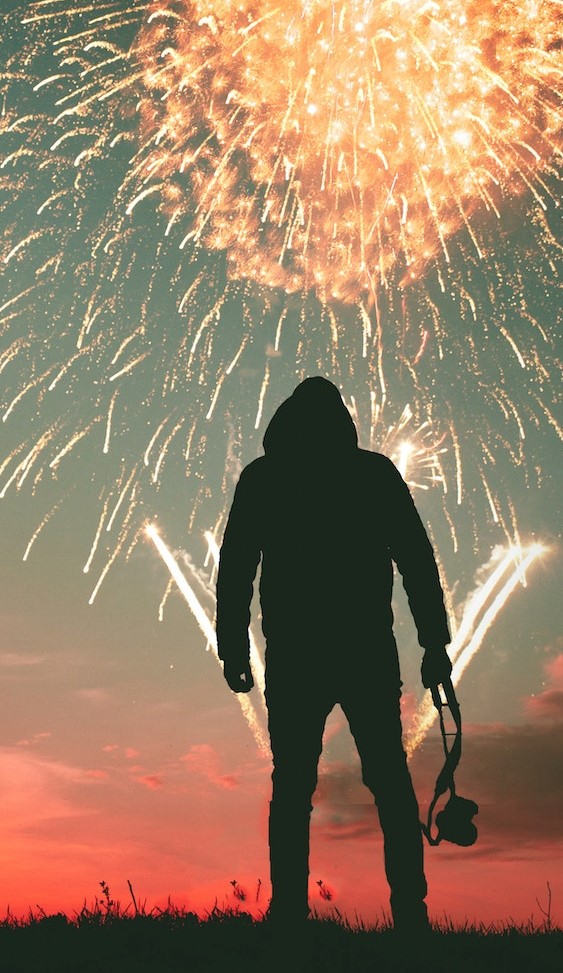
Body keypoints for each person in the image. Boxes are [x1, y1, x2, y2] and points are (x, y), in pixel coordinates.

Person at [215, 376, 452, 933]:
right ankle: (410, 916)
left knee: (293, 784)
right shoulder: (373, 474)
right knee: (388, 781)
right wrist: (434, 643)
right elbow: (417, 560)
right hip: (365, 650)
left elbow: (235, 569)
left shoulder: (264, 478)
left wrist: (232, 646)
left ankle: (289, 916)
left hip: (297, 654)